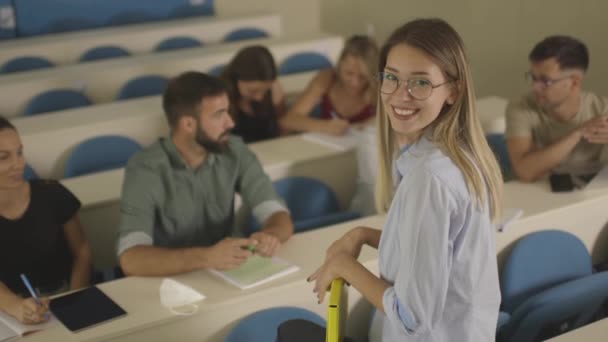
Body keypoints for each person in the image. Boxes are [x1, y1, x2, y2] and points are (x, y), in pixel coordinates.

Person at [284, 18, 503, 341]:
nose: (400, 96)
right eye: (391, 78)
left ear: (453, 91)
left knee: (290, 331)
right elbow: (434, 250)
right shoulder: (462, 155)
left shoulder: (429, 179)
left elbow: (411, 315)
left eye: (420, 82)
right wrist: (363, 233)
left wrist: (346, 266)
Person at [117, 72, 294, 277]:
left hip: (232, 271)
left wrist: (271, 236)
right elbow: (131, 259)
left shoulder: (233, 149)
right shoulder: (145, 169)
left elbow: (276, 212)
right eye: (219, 115)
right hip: (172, 278)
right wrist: (206, 257)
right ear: (188, 125)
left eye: (227, 112)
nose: (230, 123)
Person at [0, 116, 92, 324]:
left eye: (20, 152)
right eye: (3, 157)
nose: (19, 164)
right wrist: (15, 306)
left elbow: (82, 251)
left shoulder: (51, 193)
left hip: (62, 295)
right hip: (9, 310)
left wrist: (73, 299)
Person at [506, 35, 608, 182]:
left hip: (586, 194)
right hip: (535, 194)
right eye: (533, 78)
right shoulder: (520, 108)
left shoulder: (602, 109)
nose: (535, 87)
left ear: (574, 83)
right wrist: (578, 133)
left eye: (545, 81)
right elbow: (525, 171)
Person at [280, 35, 379, 135]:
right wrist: (324, 126)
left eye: (362, 77)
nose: (354, 82)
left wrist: (376, 122)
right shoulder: (327, 78)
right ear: (340, 65)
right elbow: (288, 121)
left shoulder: (380, 87)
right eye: (348, 73)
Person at [219, 45, 287, 143]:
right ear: (236, 79)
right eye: (252, 91)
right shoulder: (218, 97)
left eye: (266, 90)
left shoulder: (274, 87)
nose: (259, 97)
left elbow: (282, 128)